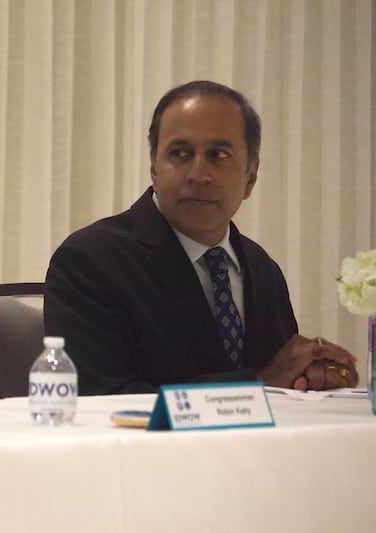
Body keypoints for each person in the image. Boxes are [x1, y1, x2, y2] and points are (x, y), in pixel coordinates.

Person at [44, 80, 358, 395]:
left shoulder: (264, 270)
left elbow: (283, 391)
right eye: (179, 153)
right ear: (154, 168)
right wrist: (258, 383)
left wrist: (314, 376)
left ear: (251, 177)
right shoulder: (91, 261)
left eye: (218, 154)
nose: (198, 174)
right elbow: (98, 401)